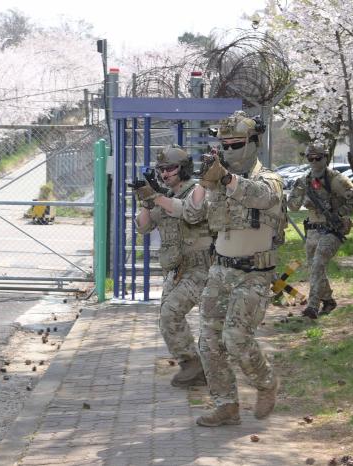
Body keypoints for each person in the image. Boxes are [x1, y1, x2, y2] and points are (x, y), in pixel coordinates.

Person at [183, 111, 282, 427]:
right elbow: (192, 213)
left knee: (236, 337)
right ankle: (227, 405)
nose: (228, 150)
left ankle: (266, 383)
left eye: (236, 144)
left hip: (253, 274)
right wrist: (205, 182)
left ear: (254, 143)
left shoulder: (268, 179)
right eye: (223, 145)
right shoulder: (217, 182)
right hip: (220, 272)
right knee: (209, 342)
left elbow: (263, 198)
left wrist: (227, 179)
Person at [133, 145, 213, 387]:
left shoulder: (197, 191)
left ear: (184, 168)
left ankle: (198, 366)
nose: (165, 174)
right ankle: (193, 365)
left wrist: (156, 197)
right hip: (176, 270)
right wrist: (146, 202)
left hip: (200, 267)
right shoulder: (163, 195)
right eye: (161, 170)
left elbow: (190, 213)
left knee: (172, 315)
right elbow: (144, 227)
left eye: (170, 168)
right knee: (167, 319)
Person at [287, 143, 353, 319]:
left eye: (317, 158)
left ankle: (313, 306)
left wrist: (337, 213)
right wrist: (303, 197)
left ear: (325, 158)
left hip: (332, 229)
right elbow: (292, 206)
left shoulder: (336, 179)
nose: (314, 161)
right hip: (312, 230)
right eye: (310, 158)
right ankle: (328, 300)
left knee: (318, 263)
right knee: (314, 268)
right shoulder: (304, 180)